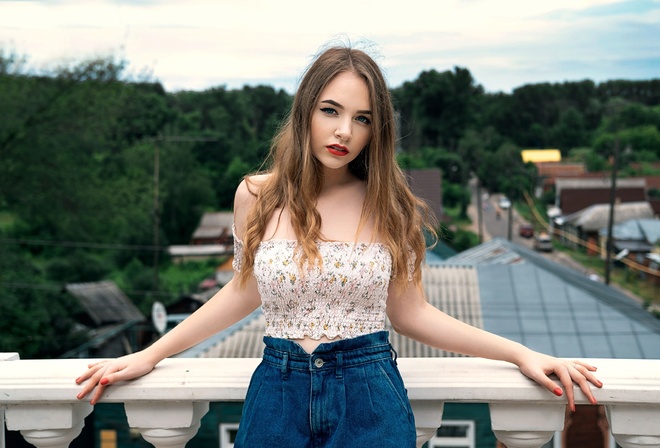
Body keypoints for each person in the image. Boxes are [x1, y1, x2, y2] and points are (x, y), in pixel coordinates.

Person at [76, 45, 602, 447]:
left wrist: (520, 353)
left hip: (369, 392)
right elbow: (242, 293)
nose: (344, 131)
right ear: (306, 110)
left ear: (378, 130)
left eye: (363, 118)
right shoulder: (254, 195)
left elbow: (412, 313)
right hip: (276, 394)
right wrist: (150, 353)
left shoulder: (390, 204)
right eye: (331, 110)